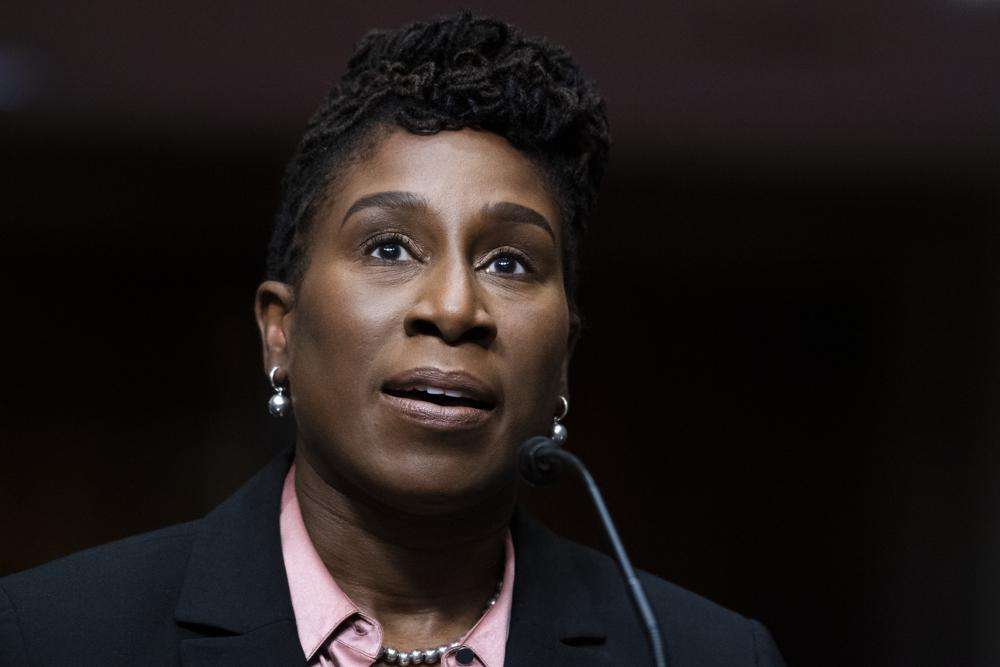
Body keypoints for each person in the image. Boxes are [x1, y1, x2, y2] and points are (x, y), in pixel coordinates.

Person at [0, 12, 785, 666]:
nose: (454, 307)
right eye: (388, 247)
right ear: (280, 331)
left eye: (510, 262)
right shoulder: (54, 637)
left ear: (563, 365)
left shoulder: (702, 654)